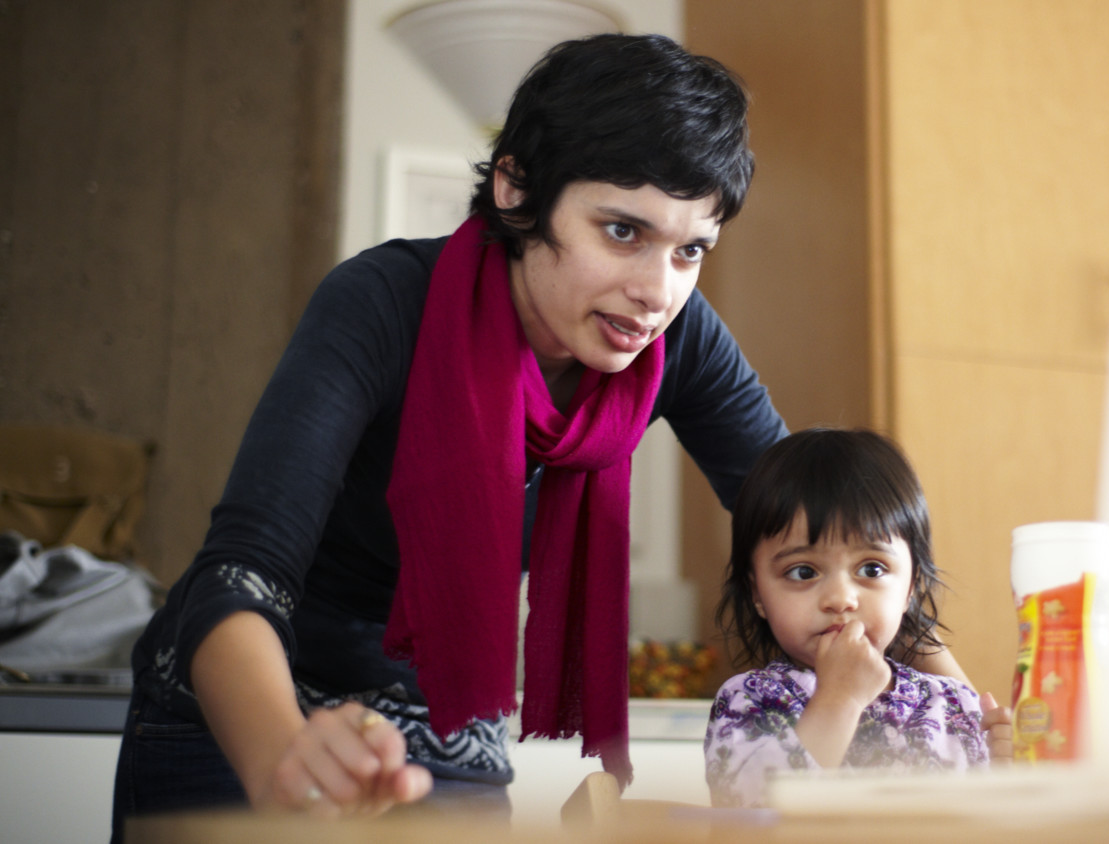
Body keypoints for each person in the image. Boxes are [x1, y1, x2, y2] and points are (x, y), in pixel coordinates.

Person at [110, 33, 789, 839]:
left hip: (445, 722)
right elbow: (240, 572)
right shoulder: (382, 303)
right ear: (515, 189)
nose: (656, 290)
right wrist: (284, 757)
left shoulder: (677, 338)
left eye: (690, 250)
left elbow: (822, 521)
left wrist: (958, 709)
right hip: (249, 715)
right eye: (621, 232)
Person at [704, 428, 1013, 808]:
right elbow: (753, 816)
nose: (840, 599)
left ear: (912, 586)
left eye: (871, 569)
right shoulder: (750, 701)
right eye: (803, 572)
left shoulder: (951, 703)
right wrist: (839, 700)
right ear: (757, 594)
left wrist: (1007, 774)